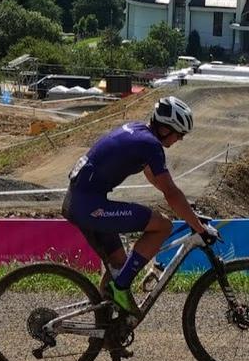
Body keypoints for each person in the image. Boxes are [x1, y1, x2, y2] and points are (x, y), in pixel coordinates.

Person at [62, 96, 212, 319]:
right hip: (90, 205)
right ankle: (119, 289)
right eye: (179, 134)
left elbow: (157, 181)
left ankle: (107, 333)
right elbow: (170, 193)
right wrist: (199, 228)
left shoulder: (138, 131)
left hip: (79, 201)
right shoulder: (150, 145)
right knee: (162, 226)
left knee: (120, 266)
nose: (179, 139)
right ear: (164, 129)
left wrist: (188, 212)